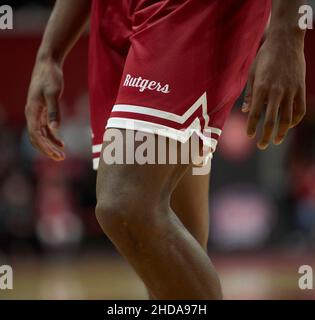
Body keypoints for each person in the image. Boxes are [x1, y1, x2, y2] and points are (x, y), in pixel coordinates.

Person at [25, 0, 307, 299]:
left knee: (124, 204)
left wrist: (287, 33)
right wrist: (49, 55)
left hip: (191, 9)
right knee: (164, 249)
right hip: (113, 12)